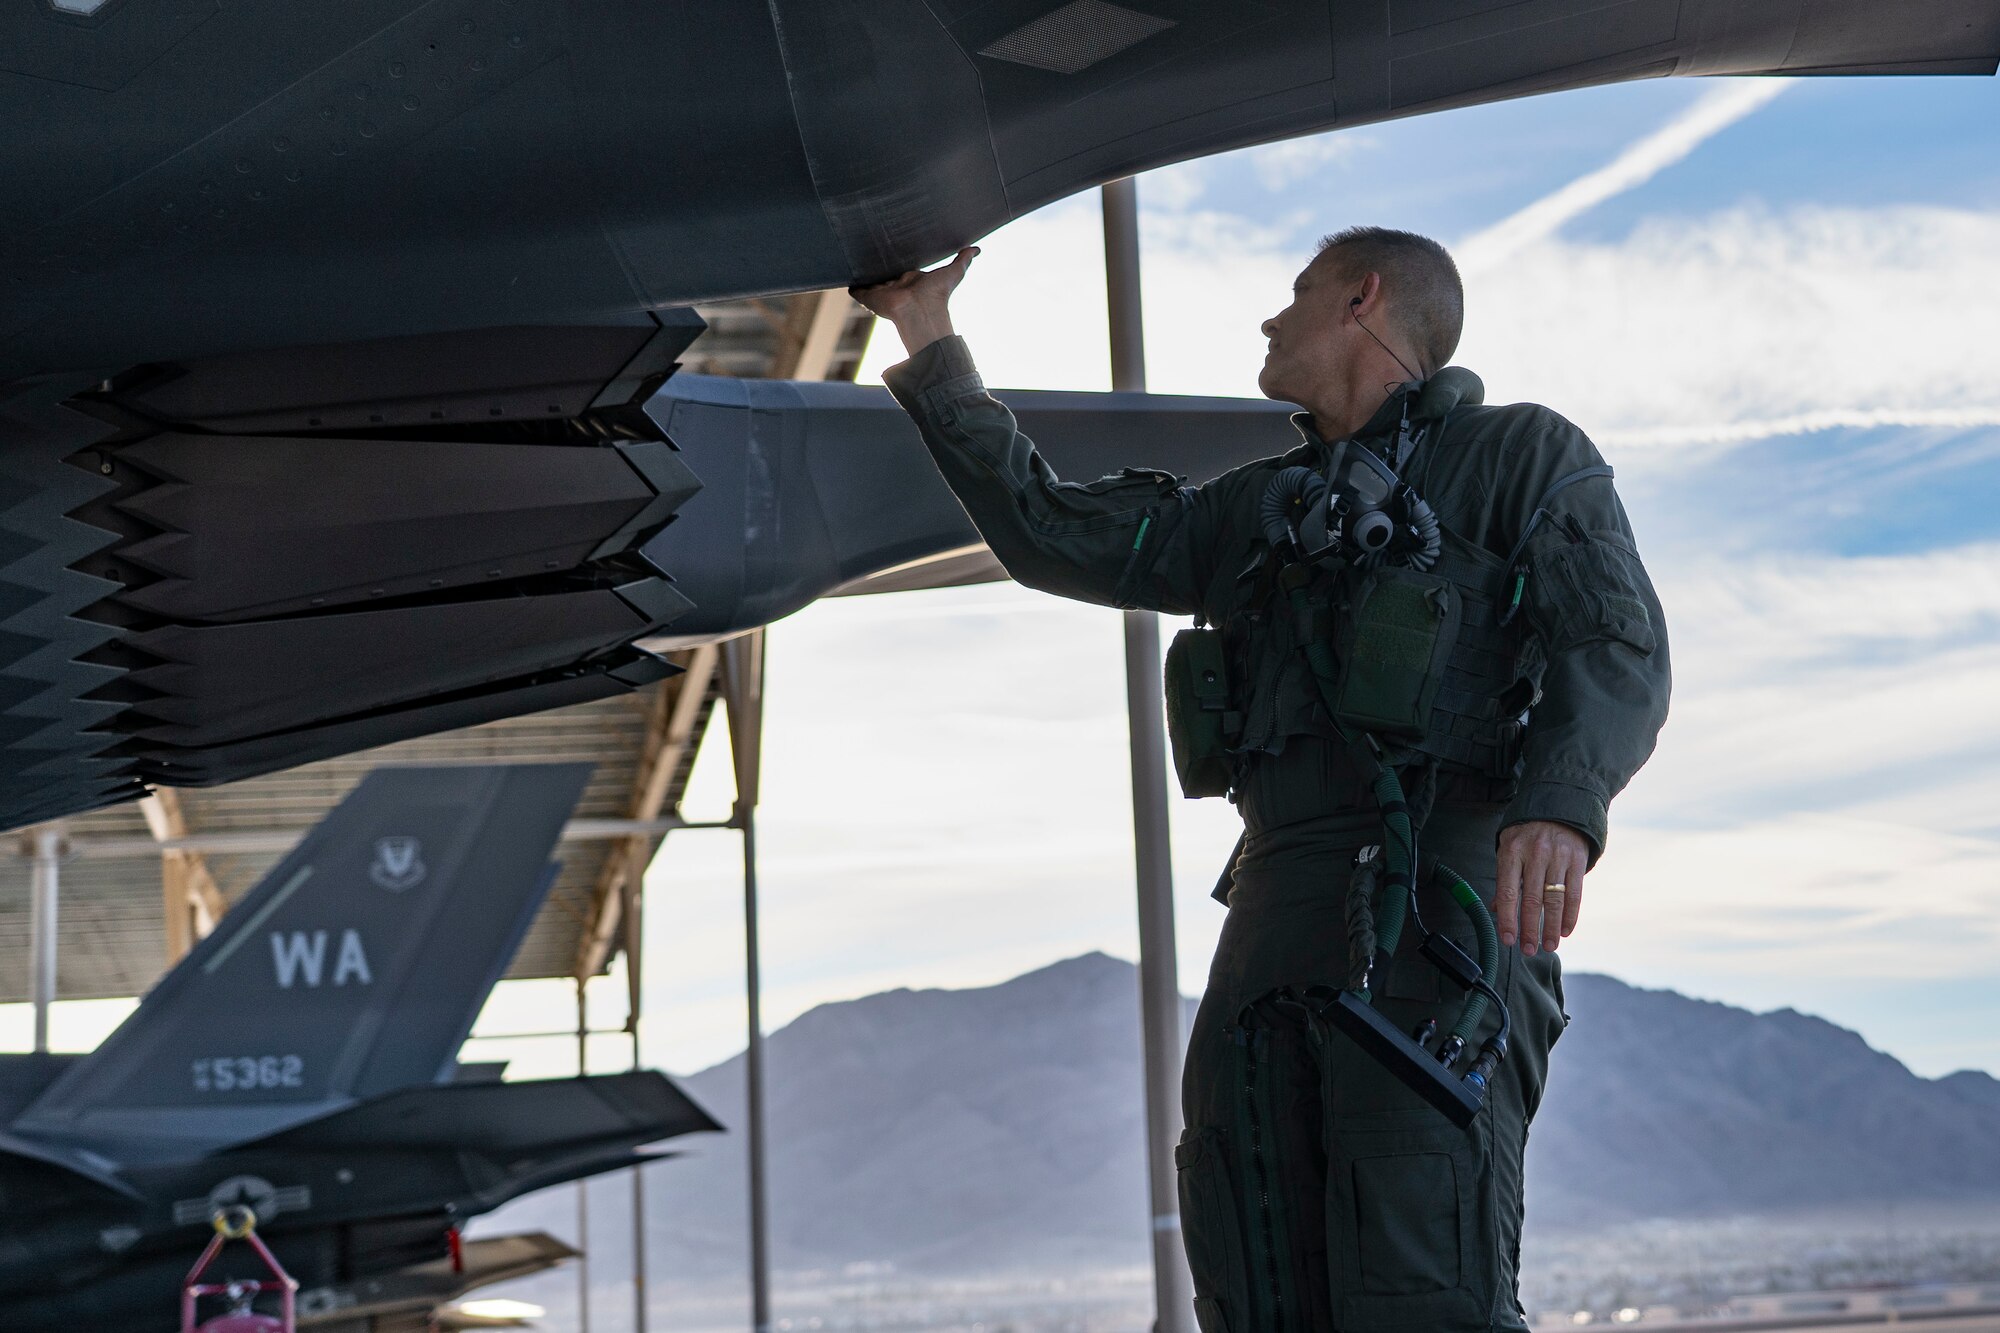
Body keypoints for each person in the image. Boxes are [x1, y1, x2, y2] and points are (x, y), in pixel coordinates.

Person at [853, 226, 1670, 1333]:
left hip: (1439, 897)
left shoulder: (1519, 456)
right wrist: (926, 332)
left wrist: (1560, 806)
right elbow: (1047, 530)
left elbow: (1612, 641)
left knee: (1420, 1269)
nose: (1268, 319)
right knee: (1251, 1241)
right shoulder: (1252, 510)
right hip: (1276, 901)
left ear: (1362, 299)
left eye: (1296, 294)